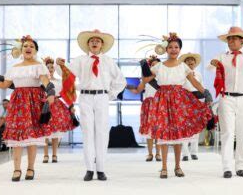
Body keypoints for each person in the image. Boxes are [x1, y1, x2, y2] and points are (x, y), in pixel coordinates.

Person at [0, 35, 55, 182]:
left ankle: (31, 168)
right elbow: (4, 85)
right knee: (16, 137)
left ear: (35, 51)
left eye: (32, 46)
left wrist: (50, 93)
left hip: (34, 103)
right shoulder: (14, 68)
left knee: (32, 137)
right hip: (18, 103)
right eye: (26, 45)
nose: (28, 48)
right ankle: (16, 169)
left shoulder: (40, 66)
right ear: (21, 49)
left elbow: (46, 82)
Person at [56, 29, 126, 181]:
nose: (95, 43)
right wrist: (60, 65)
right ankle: (89, 169)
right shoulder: (80, 60)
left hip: (102, 97)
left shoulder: (108, 60)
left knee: (101, 132)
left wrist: (110, 95)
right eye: (92, 41)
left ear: (102, 45)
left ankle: (101, 169)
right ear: (87, 44)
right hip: (85, 97)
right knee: (87, 132)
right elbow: (67, 74)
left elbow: (121, 80)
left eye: (98, 41)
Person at [143, 32, 212, 179]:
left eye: (176, 47)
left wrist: (205, 92)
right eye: (170, 47)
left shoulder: (183, 66)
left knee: (177, 135)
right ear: (166, 50)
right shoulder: (159, 66)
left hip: (179, 102)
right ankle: (163, 168)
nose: (173, 49)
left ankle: (178, 166)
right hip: (162, 101)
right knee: (163, 134)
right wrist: (144, 67)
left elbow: (194, 82)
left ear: (179, 49)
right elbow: (148, 79)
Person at [210, 27, 243, 178]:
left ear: (242, 41)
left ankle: (241, 166)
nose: (231, 41)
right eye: (229, 38)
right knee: (227, 133)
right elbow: (210, 65)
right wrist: (213, 62)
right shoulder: (222, 56)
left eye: (234, 38)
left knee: (242, 132)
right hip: (226, 98)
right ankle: (227, 167)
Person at [42, 57, 75, 163]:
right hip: (45, 106)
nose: (50, 69)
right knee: (46, 132)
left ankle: (55, 154)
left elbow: (66, 94)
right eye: (48, 67)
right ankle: (46, 155)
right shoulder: (42, 82)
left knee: (55, 132)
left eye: (52, 67)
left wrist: (71, 106)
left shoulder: (59, 81)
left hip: (57, 106)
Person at [129, 55, 161, 162]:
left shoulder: (162, 78)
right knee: (149, 130)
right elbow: (137, 90)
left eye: (157, 65)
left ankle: (158, 153)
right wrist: (126, 86)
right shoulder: (145, 80)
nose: (154, 67)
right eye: (152, 65)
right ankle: (150, 153)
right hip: (148, 104)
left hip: (160, 105)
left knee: (158, 129)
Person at [179, 53, 203, 161]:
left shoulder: (198, 74)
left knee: (196, 128)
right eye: (187, 60)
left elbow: (201, 88)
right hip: (184, 102)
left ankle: (194, 152)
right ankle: (184, 153)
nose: (190, 62)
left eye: (192, 60)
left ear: (195, 63)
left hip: (196, 102)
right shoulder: (181, 74)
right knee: (184, 127)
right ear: (184, 63)